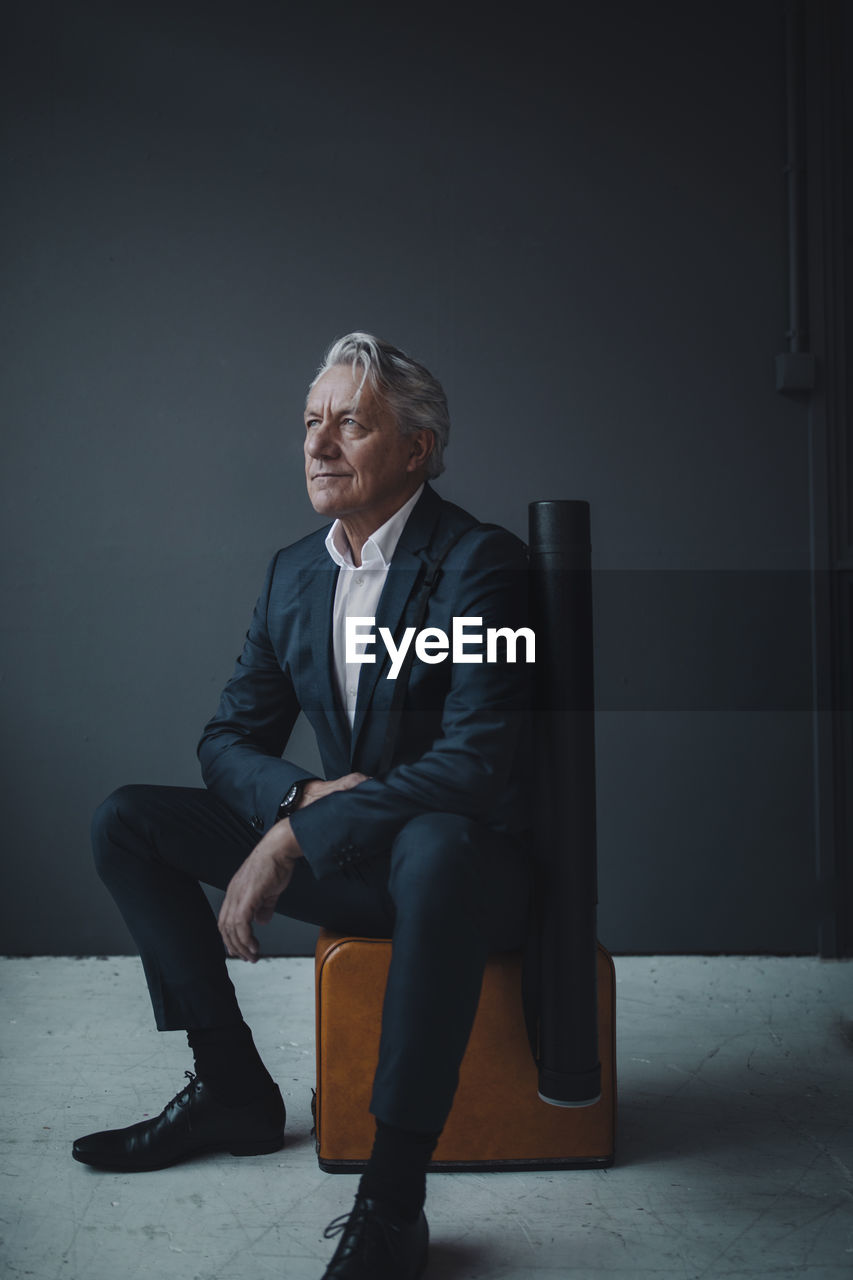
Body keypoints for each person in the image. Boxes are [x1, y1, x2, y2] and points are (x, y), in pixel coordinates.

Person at [73, 332, 532, 1280]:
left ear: (416, 449)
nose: (320, 445)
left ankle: (393, 1203)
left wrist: (294, 836)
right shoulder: (294, 573)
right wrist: (298, 798)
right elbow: (225, 741)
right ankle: (234, 1090)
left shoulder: (484, 566)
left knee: (437, 846)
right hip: (360, 861)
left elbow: (477, 764)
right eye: (311, 424)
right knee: (127, 818)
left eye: (350, 424)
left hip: (468, 875)